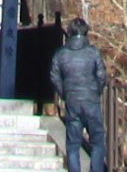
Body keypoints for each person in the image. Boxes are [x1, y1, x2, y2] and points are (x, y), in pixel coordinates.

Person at [49, 19, 108, 172]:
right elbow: (102, 76)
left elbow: (54, 76)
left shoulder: (61, 54)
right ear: (86, 33)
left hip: (72, 102)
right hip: (91, 101)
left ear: (69, 33)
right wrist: (95, 91)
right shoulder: (93, 52)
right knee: (97, 141)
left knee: (73, 145)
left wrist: (65, 93)